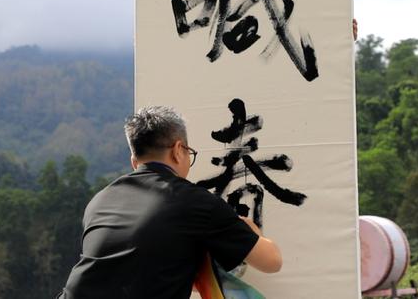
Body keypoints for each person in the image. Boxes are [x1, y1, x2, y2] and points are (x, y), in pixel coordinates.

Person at [57, 106, 282, 299]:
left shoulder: (101, 199)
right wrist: (253, 233)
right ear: (177, 150)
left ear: (135, 162)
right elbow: (271, 261)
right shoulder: (194, 201)